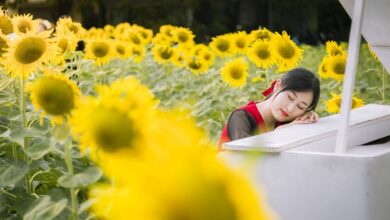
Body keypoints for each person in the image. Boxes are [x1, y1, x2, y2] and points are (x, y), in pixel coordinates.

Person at [218, 68, 320, 149]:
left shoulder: (289, 120)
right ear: (277, 85)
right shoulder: (241, 117)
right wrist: (278, 132)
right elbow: (247, 157)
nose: (290, 108)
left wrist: (308, 117)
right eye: (290, 97)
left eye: (300, 107)